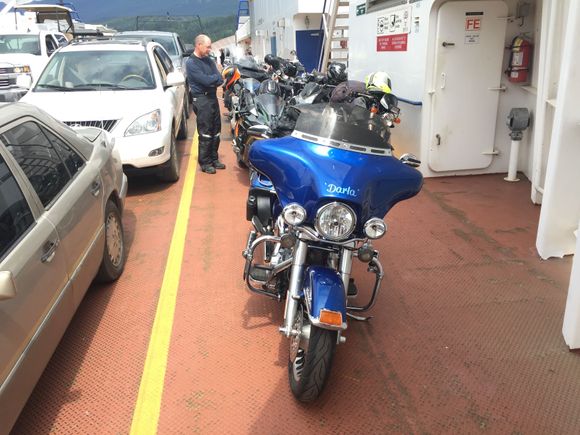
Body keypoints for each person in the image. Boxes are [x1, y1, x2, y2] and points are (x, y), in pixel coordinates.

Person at [185, 34, 225, 174]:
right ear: (199, 45)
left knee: (216, 130)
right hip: (202, 100)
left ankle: (214, 158)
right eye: (207, 47)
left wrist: (213, 79)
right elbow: (206, 81)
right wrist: (213, 79)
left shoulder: (208, 60)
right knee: (206, 131)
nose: (210, 49)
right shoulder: (191, 63)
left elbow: (219, 79)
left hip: (212, 97)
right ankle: (205, 162)